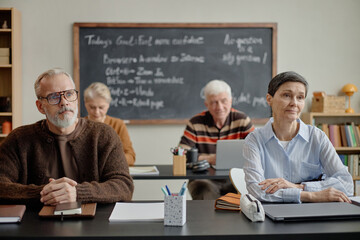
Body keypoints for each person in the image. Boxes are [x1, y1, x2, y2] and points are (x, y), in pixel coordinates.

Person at [0, 68, 134, 206]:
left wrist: (78, 193)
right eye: (53, 97)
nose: (64, 102)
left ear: (76, 99)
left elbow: (124, 186)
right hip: (35, 225)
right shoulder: (18, 139)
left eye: (69, 94)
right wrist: (44, 193)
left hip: (94, 225)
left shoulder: (104, 135)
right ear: (40, 106)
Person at [243, 71, 353, 203]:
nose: (294, 103)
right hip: (272, 216)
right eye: (287, 95)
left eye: (300, 97)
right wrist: (310, 195)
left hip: (314, 215)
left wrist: (298, 186)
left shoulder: (317, 137)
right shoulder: (254, 140)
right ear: (269, 99)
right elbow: (256, 191)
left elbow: (346, 184)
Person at [179, 80, 254, 200]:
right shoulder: (195, 123)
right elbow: (182, 154)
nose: (219, 107)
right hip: (204, 180)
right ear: (206, 104)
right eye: (213, 102)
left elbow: (256, 151)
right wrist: (209, 159)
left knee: (242, 200)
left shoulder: (242, 120)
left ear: (230, 101)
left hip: (235, 178)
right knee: (206, 196)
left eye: (223, 101)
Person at [84, 82, 136, 166]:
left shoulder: (118, 124)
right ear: (85, 104)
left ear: (108, 105)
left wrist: (108, 160)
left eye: (101, 107)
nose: (96, 112)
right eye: (92, 107)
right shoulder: (78, 125)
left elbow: (131, 157)